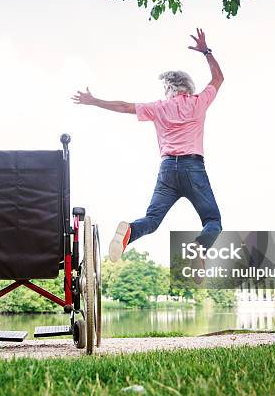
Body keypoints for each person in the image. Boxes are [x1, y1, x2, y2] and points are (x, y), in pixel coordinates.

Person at [72, 28, 224, 261]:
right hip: (193, 168)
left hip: (167, 171)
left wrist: (94, 101)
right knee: (212, 221)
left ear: (170, 88)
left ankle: (130, 232)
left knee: (152, 220)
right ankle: (199, 249)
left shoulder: (159, 107)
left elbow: (124, 106)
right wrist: (206, 51)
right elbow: (218, 78)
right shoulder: (199, 102)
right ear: (187, 87)